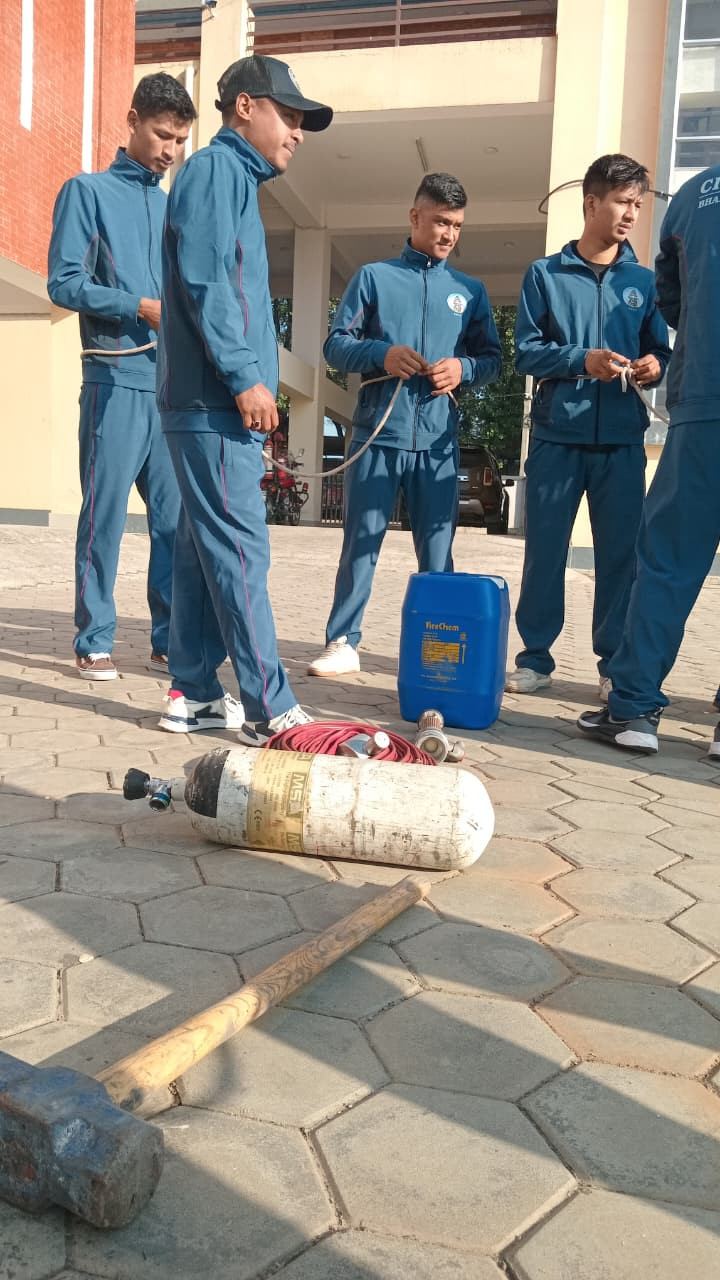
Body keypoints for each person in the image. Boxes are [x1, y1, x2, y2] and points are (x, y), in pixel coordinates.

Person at [156, 55, 332, 742]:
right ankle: (269, 708)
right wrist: (242, 376)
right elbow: (207, 282)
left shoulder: (232, 180)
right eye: (288, 115)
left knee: (203, 551)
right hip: (212, 402)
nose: (297, 132)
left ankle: (196, 693)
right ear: (245, 108)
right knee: (238, 550)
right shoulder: (216, 171)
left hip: (207, 402)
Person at [307, 173, 502, 678]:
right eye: (440, 221)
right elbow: (335, 346)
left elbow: (493, 360)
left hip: (437, 441)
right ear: (415, 217)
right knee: (361, 542)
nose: (449, 234)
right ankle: (343, 642)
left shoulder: (469, 291)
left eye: (457, 225)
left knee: (438, 552)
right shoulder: (374, 278)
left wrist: (464, 369)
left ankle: (437, 648)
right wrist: (382, 354)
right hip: (378, 433)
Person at [505, 154, 671, 702]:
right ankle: (534, 658)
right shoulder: (544, 275)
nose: (631, 214)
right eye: (623, 202)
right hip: (557, 438)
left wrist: (654, 366)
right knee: (545, 552)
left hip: (622, 441)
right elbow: (526, 352)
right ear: (592, 203)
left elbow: (660, 349)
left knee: (620, 558)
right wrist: (582, 361)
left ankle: (614, 665)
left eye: (637, 205)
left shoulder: (643, 282)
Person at [48, 73, 196, 680]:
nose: (170, 150)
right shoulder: (86, 192)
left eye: (179, 140)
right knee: (103, 516)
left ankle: (168, 640)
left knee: (174, 524)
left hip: (171, 390)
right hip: (114, 381)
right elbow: (63, 283)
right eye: (162, 135)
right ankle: (94, 640)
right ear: (132, 121)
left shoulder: (172, 207)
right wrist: (137, 306)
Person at [578, 160, 720, 758]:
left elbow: (672, 299)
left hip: (706, 399)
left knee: (666, 560)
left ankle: (634, 710)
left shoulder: (694, 196)